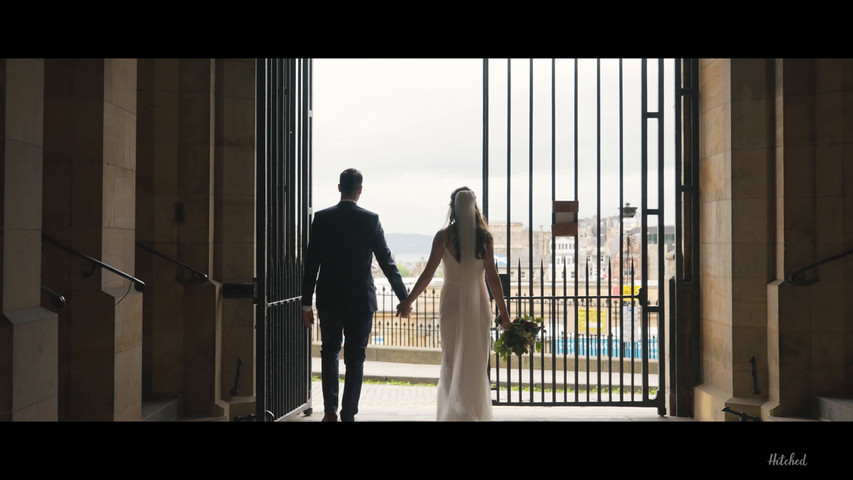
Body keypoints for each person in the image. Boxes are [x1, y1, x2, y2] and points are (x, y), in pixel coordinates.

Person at [301, 168, 411, 422]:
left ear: (339, 187)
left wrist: (306, 304)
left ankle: (329, 412)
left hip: (329, 299)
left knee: (329, 353)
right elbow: (387, 262)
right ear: (360, 190)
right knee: (355, 358)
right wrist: (403, 298)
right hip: (361, 300)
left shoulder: (322, 218)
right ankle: (348, 413)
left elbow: (311, 265)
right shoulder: (370, 220)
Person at [396, 187, 511, 421]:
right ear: (474, 207)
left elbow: (427, 274)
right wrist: (505, 315)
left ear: (453, 208)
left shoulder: (443, 237)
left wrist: (408, 300)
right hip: (479, 303)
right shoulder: (485, 237)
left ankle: (454, 409)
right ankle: (475, 410)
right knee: (477, 358)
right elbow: (492, 277)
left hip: (451, 302)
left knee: (451, 355)